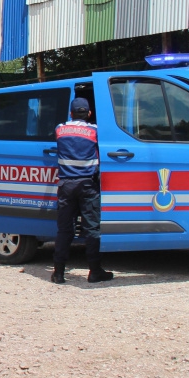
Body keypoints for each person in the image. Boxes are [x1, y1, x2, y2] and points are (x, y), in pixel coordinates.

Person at [52, 97, 113, 285]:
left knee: (64, 230)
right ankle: (95, 271)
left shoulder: (60, 128)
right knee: (92, 229)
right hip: (88, 185)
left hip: (66, 185)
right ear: (89, 113)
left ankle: (59, 273)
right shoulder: (94, 131)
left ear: (70, 113)